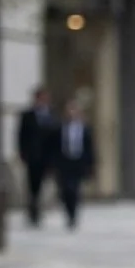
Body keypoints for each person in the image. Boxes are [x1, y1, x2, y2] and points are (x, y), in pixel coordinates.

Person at [17, 86, 60, 226]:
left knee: (44, 185)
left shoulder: (52, 115)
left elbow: (56, 138)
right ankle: (33, 212)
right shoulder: (27, 115)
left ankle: (39, 209)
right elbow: (21, 136)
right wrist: (22, 154)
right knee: (32, 186)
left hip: (47, 157)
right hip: (32, 156)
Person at [55, 97, 96, 228]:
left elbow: (90, 148)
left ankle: (73, 214)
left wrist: (91, 165)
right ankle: (68, 212)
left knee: (75, 189)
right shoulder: (60, 128)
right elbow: (53, 146)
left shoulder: (85, 129)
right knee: (65, 190)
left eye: (74, 110)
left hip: (78, 163)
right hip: (64, 163)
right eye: (69, 110)